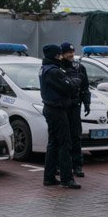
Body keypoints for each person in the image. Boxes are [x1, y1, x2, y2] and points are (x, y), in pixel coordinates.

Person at [39, 44, 80, 189]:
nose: (61, 57)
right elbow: (69, 86)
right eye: (59, 55)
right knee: (65, 143)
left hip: (51, 108)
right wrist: (76, 81)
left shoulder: (46, 68)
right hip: (57, 109)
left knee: (54, 143)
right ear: (55, 56)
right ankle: (66, 178)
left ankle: (49, 177)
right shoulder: (54, 71)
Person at [59, 42, 90, 179]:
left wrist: (87, 103)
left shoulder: (79, 67)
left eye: (72, 52)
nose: (71, 54)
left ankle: (77, 165)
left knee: (76, 136)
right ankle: (61, 165)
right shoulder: (57, 67)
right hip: (62, 106)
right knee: (62, 137)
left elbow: (85, 87)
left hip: (75, 106)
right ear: (62, 54)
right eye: (68, 52)